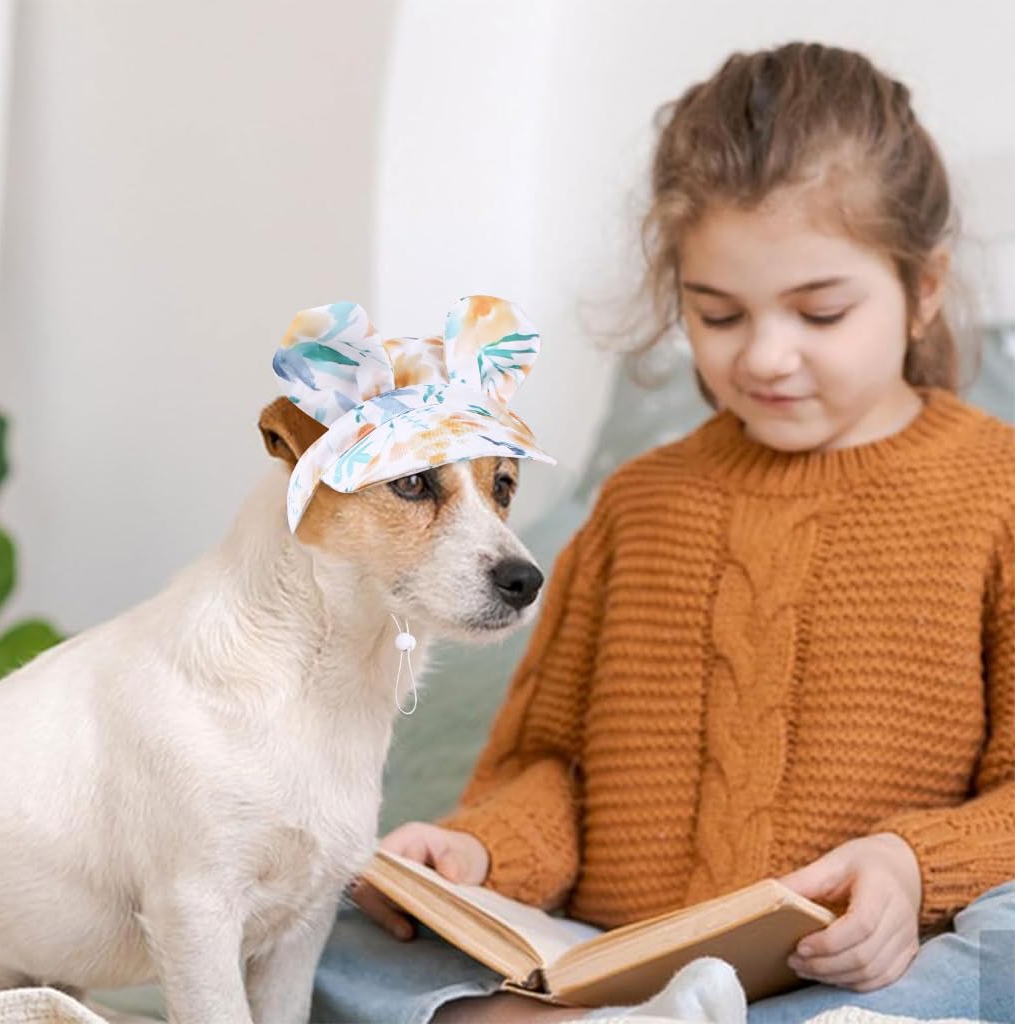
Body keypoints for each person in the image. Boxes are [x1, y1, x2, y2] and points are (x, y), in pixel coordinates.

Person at [310, 42, 1015, 1024]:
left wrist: (909, 865)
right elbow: (549, 768)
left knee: (1002, 943)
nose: (766, 355)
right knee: (322, 921)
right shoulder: (638, 506)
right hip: (613, 964)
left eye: (820, 312)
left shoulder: (997, 490)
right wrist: (476, 853)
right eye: (717, 314)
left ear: (922, 289)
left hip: (859, 973)